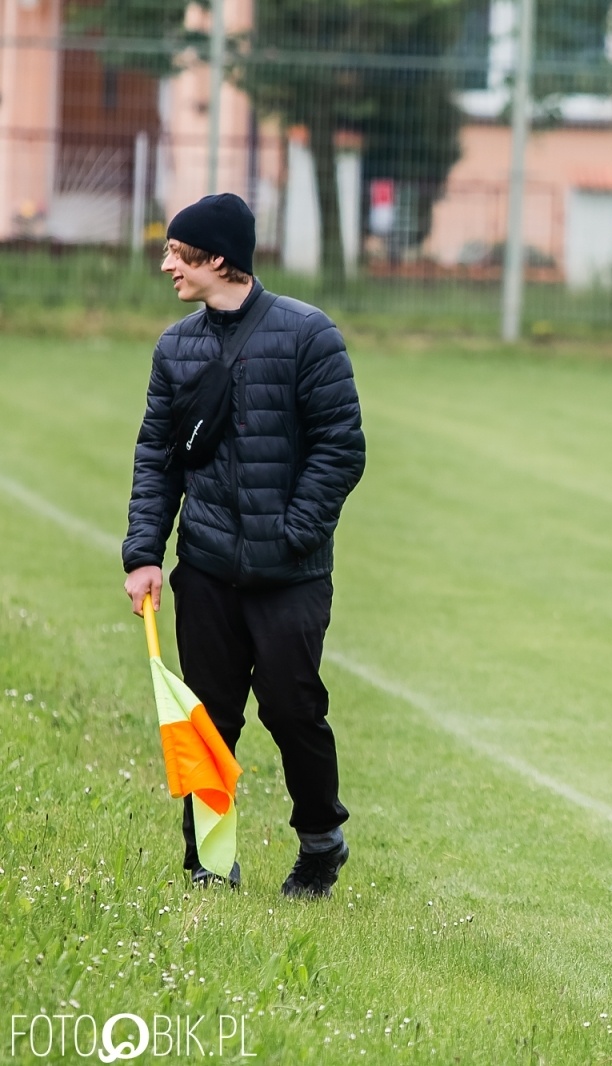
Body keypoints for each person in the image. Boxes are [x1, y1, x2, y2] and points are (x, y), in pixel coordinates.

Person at [122, 192, 365, 899]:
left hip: (291, 574)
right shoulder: (175, 347)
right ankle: (210, 864)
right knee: (208, 723)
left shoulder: (309, 335)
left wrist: (293, 534)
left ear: (218, 259)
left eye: (179, 251)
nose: (167, 262)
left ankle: (321, 843)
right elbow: (156, 459)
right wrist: (144, 553)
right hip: (205, 571)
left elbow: (341, 450)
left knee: (294, 713)